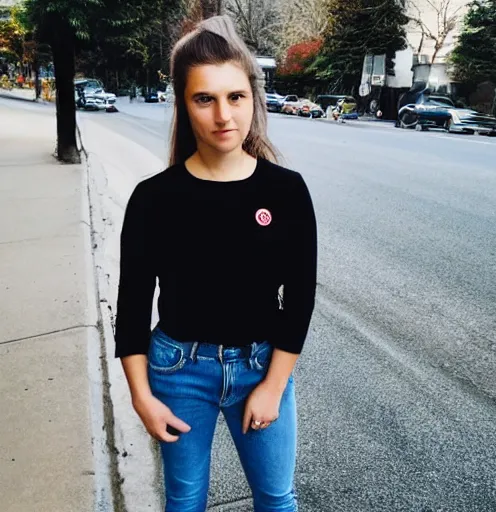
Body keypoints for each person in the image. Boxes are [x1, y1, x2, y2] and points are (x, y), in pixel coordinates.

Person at [114, 15, 317, 512]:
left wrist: (272, 387)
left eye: (235, 97)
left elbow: (300, 301)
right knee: (185, 502)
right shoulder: (152, 199)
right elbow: (133, 309)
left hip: (260, 366)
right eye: (205, 99)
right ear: (184, 106)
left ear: (252, 99)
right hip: (178, 371)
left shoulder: (286, 191)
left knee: (276, 499)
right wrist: (142, 397)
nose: (223, 115)